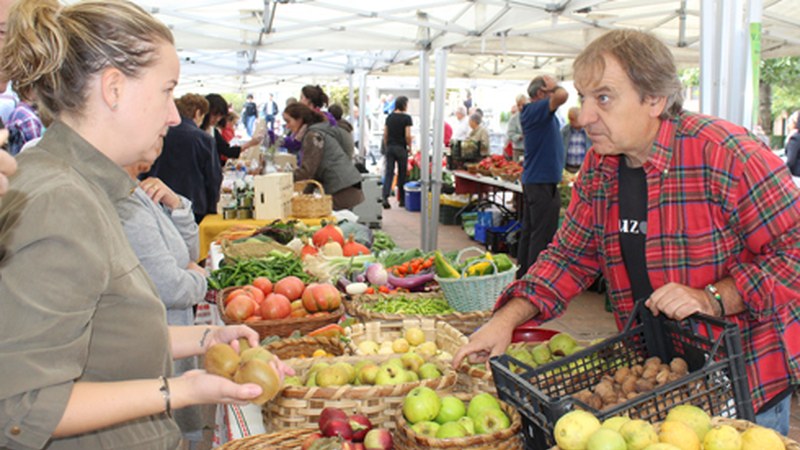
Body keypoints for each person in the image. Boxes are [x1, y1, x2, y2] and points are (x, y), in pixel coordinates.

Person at [453, 29, 800, 436]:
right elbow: (568, 257)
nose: (583, 117)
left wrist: (714, 297)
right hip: (659, 383)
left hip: (745, 385)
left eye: (603, 97)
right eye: (583, 97)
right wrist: (506, 319)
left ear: (654, 99)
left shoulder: (726, 156)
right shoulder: (601, 170)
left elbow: (792, 255)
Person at [0, 1, 292, 449]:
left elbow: (100, 335)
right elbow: (23, 408)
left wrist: (208, 336)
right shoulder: (59, 200)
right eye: (166, 91)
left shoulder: (85, 187)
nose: (174, 116)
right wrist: (181, 390)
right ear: (114, 88)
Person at [118, 140, 208, 443]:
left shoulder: (142, 191)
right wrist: (202, 278)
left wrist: (177, 205)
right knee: (170, 431)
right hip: (158, 349)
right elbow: (171, 287)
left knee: (181, 428)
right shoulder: (123, 203)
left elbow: (188, 252)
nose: (165, 130)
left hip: (173, 341)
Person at [515, 74, 568, 278]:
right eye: (550, 90)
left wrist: (551, 88)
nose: (555, 92)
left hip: (539, 180)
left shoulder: (535, 112)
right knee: (542, 234)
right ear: (540, 94)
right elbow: (563, 95)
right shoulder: (536, 109)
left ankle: (525, 276)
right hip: (540, 182)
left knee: (531, 231)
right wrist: (556, 88)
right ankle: (535, 279)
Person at [148, 93, 221, 224]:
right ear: (198, 113)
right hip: (195, 205)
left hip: (158, 201)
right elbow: (213, 178)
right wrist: (212, 209)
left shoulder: (158, 134)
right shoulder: (204, 139)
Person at [284, 102, 364, 210]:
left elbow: (307, 171)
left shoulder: (312, 135)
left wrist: (284, 178)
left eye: (288, 121)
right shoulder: (317, 131)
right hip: (348, 185)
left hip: (342, 188)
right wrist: (305, 193)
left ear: (300, 119)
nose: (287, 126)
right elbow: (314, 171)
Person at [203, 93, 262, 167]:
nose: (217, 119)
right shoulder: (197, 132)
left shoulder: (213, 131)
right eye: (215, 115)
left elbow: (227, 151)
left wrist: (250, 143)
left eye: (220, 116)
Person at [382, 95, 412, 209]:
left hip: (390, 147)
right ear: (404, 105)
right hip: (401, 148)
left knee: (389, 172)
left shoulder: (389, 117)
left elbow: (385, 133)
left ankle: (385, 197)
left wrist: (387, 145)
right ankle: (402, 200)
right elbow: (408, 135)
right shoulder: (407, 118)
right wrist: (409, 147)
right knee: (402, 173)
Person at [561, 106, 592, 173]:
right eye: (569, 119)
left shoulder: (590, 132)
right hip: (567, 169)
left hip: (585, 169)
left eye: (573, 119)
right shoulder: (564, 131)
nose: (570, 122)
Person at [506, 94, 527, 162]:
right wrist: (520, 137)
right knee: (517, 168)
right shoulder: (513, 118)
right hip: (518, 150)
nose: (521, 107)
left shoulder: (533, 116)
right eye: (518, 105)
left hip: (530, 150)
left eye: (523, 105)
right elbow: (510, 134)